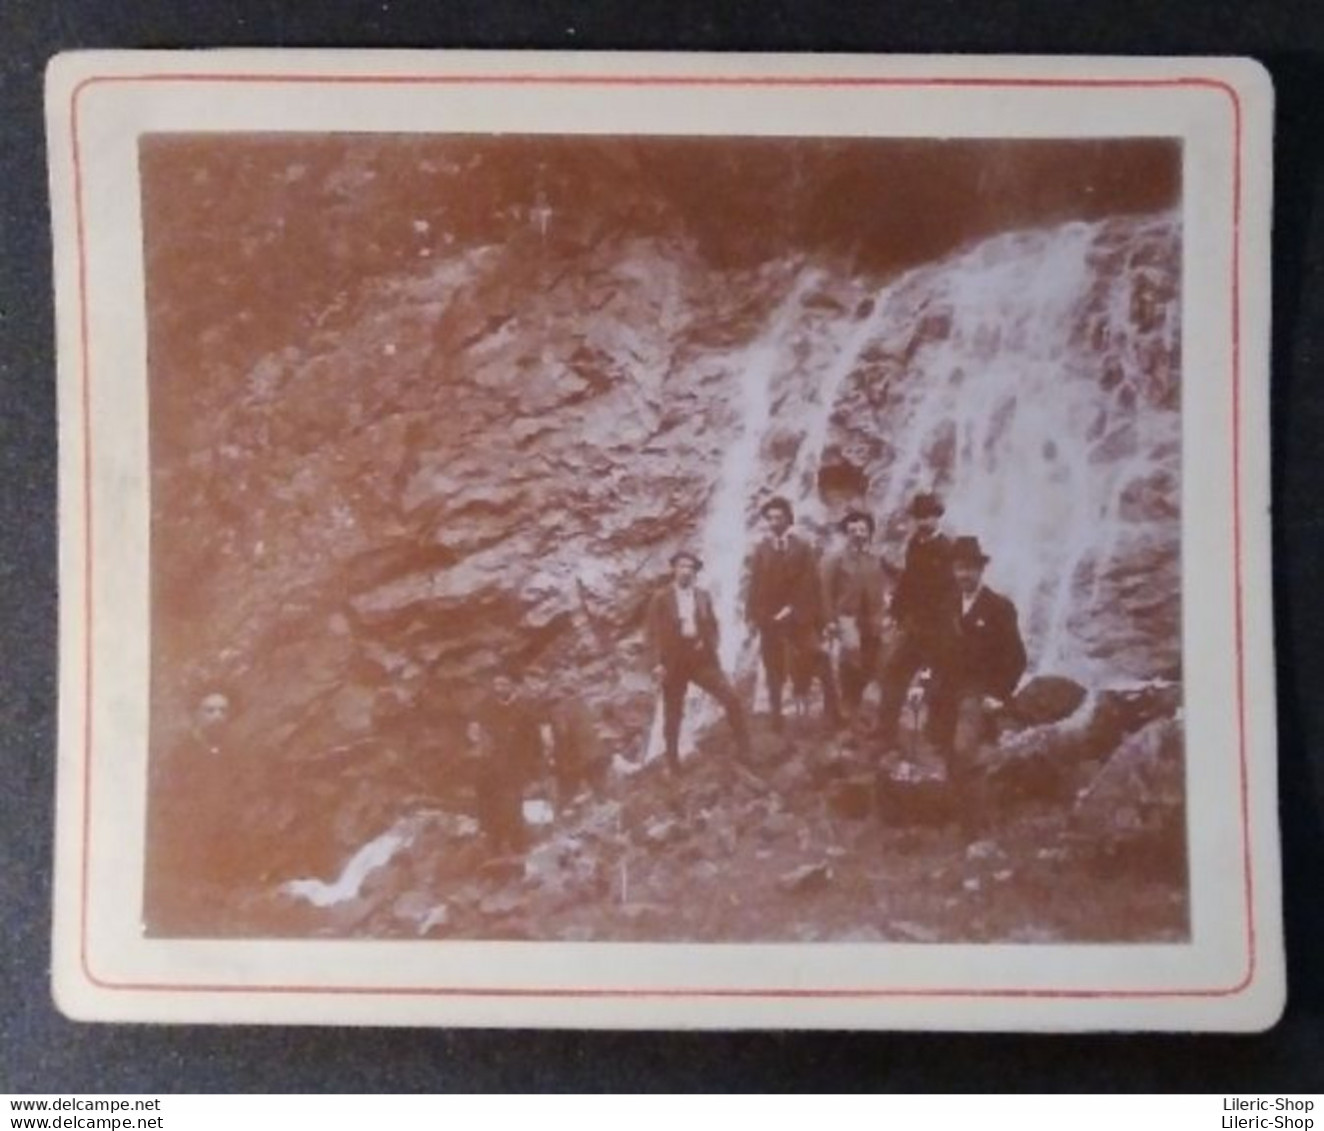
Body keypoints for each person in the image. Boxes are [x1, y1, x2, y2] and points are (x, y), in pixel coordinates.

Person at [930, 536, 1028, 839]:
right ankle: (957, 818)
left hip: (977, 694)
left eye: (970, 568)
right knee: (946, 751)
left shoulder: (999, 608)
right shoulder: (946, 606)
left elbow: (1017, 659)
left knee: (965, 751)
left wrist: (998, 695)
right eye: (959, 568)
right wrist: (927, 680)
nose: (964, 575)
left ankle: (975, 830)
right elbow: (938, 651)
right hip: (946, 693)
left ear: (981, 570)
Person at [646, 550, 751, 774]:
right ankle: (673, 762)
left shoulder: (702, 595)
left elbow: (712, 625)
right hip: (673, 660)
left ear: (695, 572)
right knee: (673, 713)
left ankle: (745, 749)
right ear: (673, 569)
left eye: (691, 567)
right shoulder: (661, 597)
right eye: (682, 566)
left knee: (731, 697)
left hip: (700, 658)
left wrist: (709, 643)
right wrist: (657, 663)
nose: (686, 571)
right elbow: (652, 633)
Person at [745, 496, 839, 731]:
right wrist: (753, 617)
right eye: (770, 518)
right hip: (770, 620)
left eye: (779, 517)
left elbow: (811, 584)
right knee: (773, 668)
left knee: (819, 657)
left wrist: (795, 610)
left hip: (799, 617)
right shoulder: (762, 550)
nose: (774, 522)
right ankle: (776, 717)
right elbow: (754, 585)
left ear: (788, 519)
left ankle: (833, 710)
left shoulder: (802, 547)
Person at [877, 492, 957, 748]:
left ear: (937, 517)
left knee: (936, 686)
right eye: (919, 517)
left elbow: (950, 597)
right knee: (893, 675)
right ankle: (886, 736)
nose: (924, 522)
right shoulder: (914, 544)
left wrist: (940, 635)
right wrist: (896, 614)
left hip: (938, 633)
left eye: (929, 517)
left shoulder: (947, 550)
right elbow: (908, 584)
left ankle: (939, 744)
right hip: (916, 629)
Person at [821, 509, 889, 719]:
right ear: (846, 532)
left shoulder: (875, 560)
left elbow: (888, 583)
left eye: (863, 529)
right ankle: (846, 705)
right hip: (846, 617)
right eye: (854, 530)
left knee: (873, 660)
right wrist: (830, 621)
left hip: (872, 619)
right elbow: (824, 591)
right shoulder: (835, 559)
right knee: (851, 654)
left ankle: (861, 707)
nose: (859, 534)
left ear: (869, 533)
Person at [468, 671, 544, 855]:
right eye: (496, 685)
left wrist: (534, 768)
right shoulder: (485, 708)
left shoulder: (525, 709)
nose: (499, 689)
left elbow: (535, 741)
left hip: (515, 767)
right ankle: (495, 848)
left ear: (513, 686)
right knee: (490, 808)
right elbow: (474, 734)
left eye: (503, 685)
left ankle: (518, 847)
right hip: (490, 769)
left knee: (512, 807)